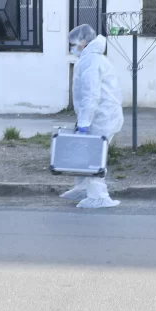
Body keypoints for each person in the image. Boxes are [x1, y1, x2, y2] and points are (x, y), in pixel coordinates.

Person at [60, 24, 124, 209]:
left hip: (102, 117)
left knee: (94, 154)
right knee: (85, 152)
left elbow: (91, 95)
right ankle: (82, 188)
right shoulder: (91, 59)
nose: (71, 48)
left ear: (82, 42)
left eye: (73, 44)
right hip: (100, 115)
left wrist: (84, 123)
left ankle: (98, 196)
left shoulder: (91, 61)